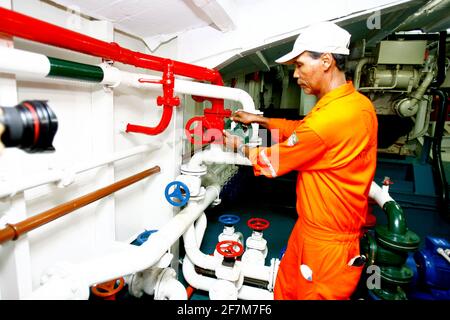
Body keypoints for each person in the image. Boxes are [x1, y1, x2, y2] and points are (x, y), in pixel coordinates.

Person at [223, 21, 378, 300]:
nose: (295, 74)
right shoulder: (354, 104)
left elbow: (272, 162)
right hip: (312, 227)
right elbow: (303, 131)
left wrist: (239, 146)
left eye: (300, 65)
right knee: (286, 289)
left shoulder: (331, 118)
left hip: (327, 243)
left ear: (327, 61)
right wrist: (259, 119)